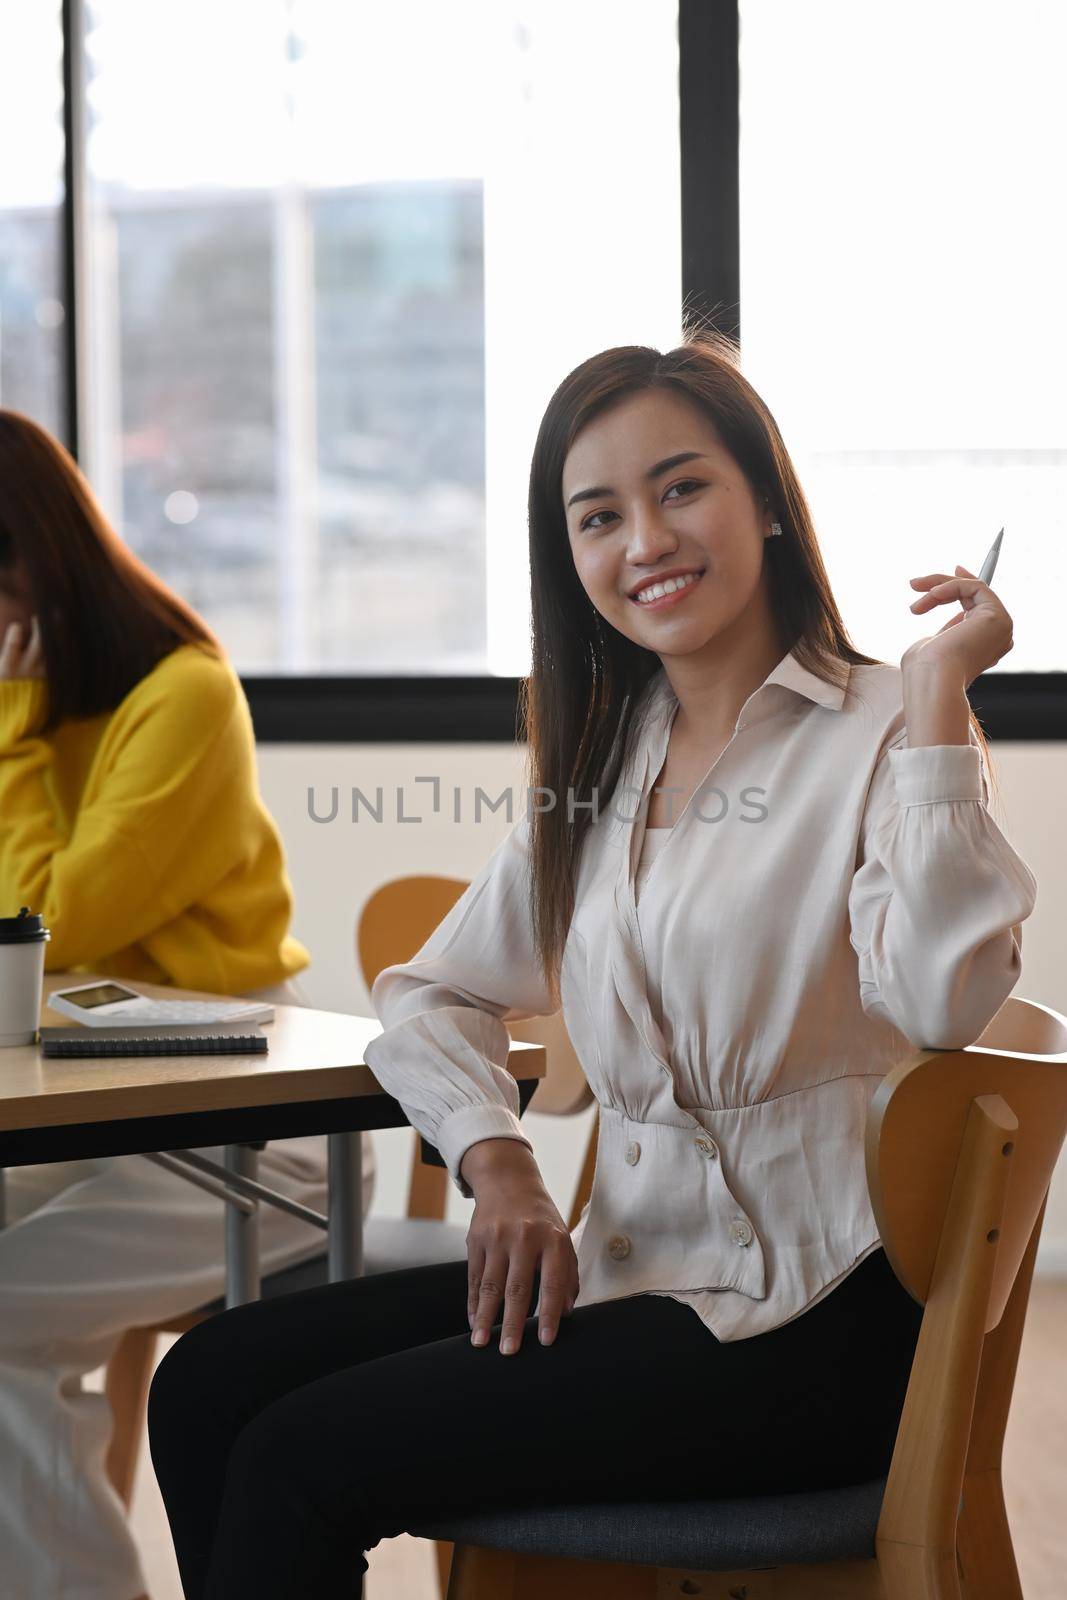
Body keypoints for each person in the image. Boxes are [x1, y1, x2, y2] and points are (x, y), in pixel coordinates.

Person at [147, 328, 1037, 1600]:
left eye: (681, 488)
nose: (644, 542)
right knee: (208, 1384)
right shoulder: (603, 767)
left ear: (767, 503)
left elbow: (945, 998)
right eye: (597, 516)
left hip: (815, 1318)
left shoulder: (887, 728)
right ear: (567, 558)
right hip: (636, 1274)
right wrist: (498, 1160)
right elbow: (429, 991)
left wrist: (939, 692)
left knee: (298, 1457)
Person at [0, 408, 376, 1600]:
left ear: (28, 563)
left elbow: (51, 922)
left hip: (252, 1129)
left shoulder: (185, 693)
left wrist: (6, 735)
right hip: (94, 1106)